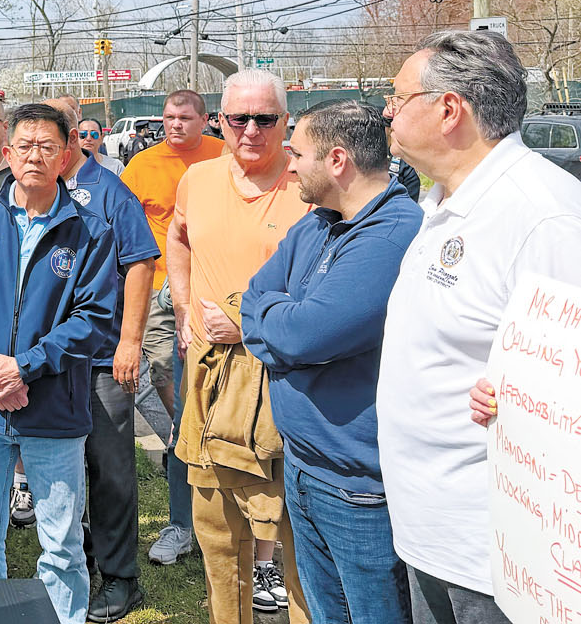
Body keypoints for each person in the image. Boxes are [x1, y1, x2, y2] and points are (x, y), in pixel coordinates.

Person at [379, 31, 581, 624]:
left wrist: (528, 393)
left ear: (448, 110)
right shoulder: (439, 199)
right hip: (431, 534)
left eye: (398, 96)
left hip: (501, 561)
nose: (386, 110)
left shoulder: (542, 213)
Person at [241, 101, 421, 624]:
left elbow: (304, 335)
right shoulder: (319, 222)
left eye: (298, 153)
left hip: (358, 488)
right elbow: (254, 295)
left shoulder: (392, 233)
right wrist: (282, 321)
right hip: (305, 466)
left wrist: (279, 323)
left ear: (337, 160)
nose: (290, 165)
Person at [0, 103, 117, 624]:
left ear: (66, 156)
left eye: (47, 146)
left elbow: (93, 319)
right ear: (8, 153)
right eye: (25, 146)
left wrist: (27, 368)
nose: (34, 156)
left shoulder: (90, 230)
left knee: (61, 547)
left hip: (54, 414)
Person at [167, 69, 309, 622]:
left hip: (285, 376)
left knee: (294, 530)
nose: (251, 129)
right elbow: (178, 238)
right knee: (217, 531)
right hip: (209, 376)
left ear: (286, 120)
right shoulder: (197, 180)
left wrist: (248, 326)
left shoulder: (310, 183)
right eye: (238, 118)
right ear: (219, 120)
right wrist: (182, 307)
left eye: (265, 118)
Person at [49, 104, 163, 623]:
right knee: (62, 471)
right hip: (51, 359)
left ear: (72, 138)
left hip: (101, 359)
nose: (36, 149)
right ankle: (78, 561)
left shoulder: (109, 191)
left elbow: (140, 262)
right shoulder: (31, 190)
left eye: (46, 138)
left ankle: (121, 577)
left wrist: (130, 342)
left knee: (110, 470)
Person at [120, 89, 223, 566]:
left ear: (206, 120)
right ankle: (183, 510)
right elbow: (120, 226)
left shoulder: (223, 157)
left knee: (213, 408)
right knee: (167, 388)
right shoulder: (142, 165)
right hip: (160, 288)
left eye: (185, 117)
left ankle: (236, 523)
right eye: (168, 117)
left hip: (215, 293)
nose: (175, 125)